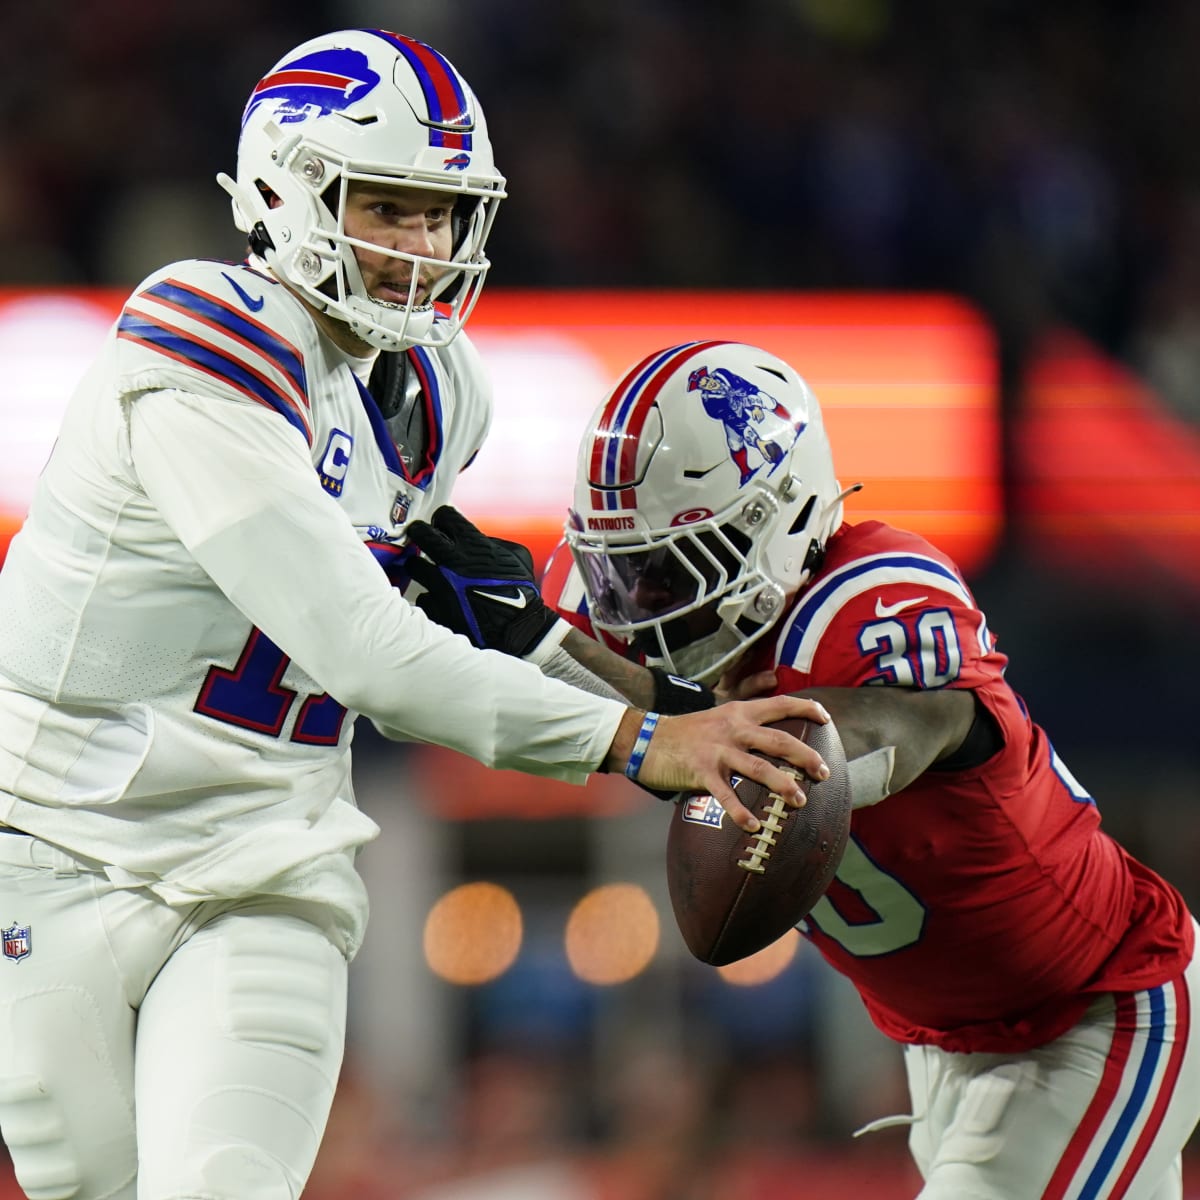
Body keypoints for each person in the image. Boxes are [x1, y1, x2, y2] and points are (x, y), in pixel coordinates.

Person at [0, 37, 831, 1200]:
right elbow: (368, 650)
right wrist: (646, 746)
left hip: (263, 863)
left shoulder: (437, 390)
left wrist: (673, 704)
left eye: (441, 215)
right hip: (49, 849)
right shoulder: (197, 342)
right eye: (387, 207)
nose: (420, 248)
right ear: (286, 191)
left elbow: (469, 609)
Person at [409, 340, 1200, 1199]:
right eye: (618, 574)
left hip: (1093, 1004)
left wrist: (551, 650)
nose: (635, 611)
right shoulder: (671, 647)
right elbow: (662, 732)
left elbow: (808, 750)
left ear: (778, 522)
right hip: (943, 1041)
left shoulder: (869, 604)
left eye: (664, 573)